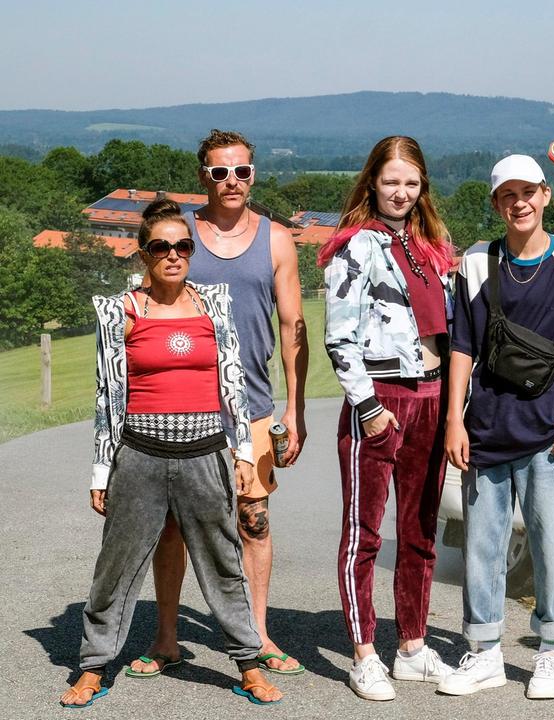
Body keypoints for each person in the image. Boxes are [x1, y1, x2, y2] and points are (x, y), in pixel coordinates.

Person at [59, 199, 283, 708]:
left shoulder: (214, 305)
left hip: (205, 455)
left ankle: (248, 665)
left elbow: (233, 385)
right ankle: (93, 667)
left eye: (183, 246)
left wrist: (243, 452)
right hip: (138, 455)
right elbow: (107, 397)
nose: (174, 255)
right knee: (115, 566)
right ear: (144, 254)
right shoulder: (120, 310)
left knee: (224, 563)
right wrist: (100, 471)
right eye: (161, 246)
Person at [129, 129, 309, 679]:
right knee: (173, 525)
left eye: (242, 171)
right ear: (202, 176)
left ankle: (256, 636)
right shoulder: (181, 238)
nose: (232, 181)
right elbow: (147, 307)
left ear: (254, 174)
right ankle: (166, 638)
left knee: (253, 520)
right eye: (219, 172)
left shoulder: (276, 239)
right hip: (183, 408)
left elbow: (292, 327)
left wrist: (294, 409)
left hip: (252, 406)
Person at [440, 154, 554, 700]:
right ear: (496, 203)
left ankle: (550, 653)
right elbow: (462, 347)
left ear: (546, 196)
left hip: (550, 434)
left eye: (529, 192)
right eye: (507, 195)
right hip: (486, 428)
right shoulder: (476, 261)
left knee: (550, 545)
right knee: (483, 549)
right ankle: (485, 652)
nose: (519, 203)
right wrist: (454, 420)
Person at [319, 136, 456, 701]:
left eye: (412, 182)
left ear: (422, 187)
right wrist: (368, 407)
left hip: (434, 398)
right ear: (373, 182)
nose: (401, 192)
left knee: (421, 532)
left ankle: (413, 647)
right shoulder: (355, 247)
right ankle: (365, 653)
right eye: (391, 181)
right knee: (365, 533)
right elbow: (338, 338)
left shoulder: (435, 249)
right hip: (380, 402)